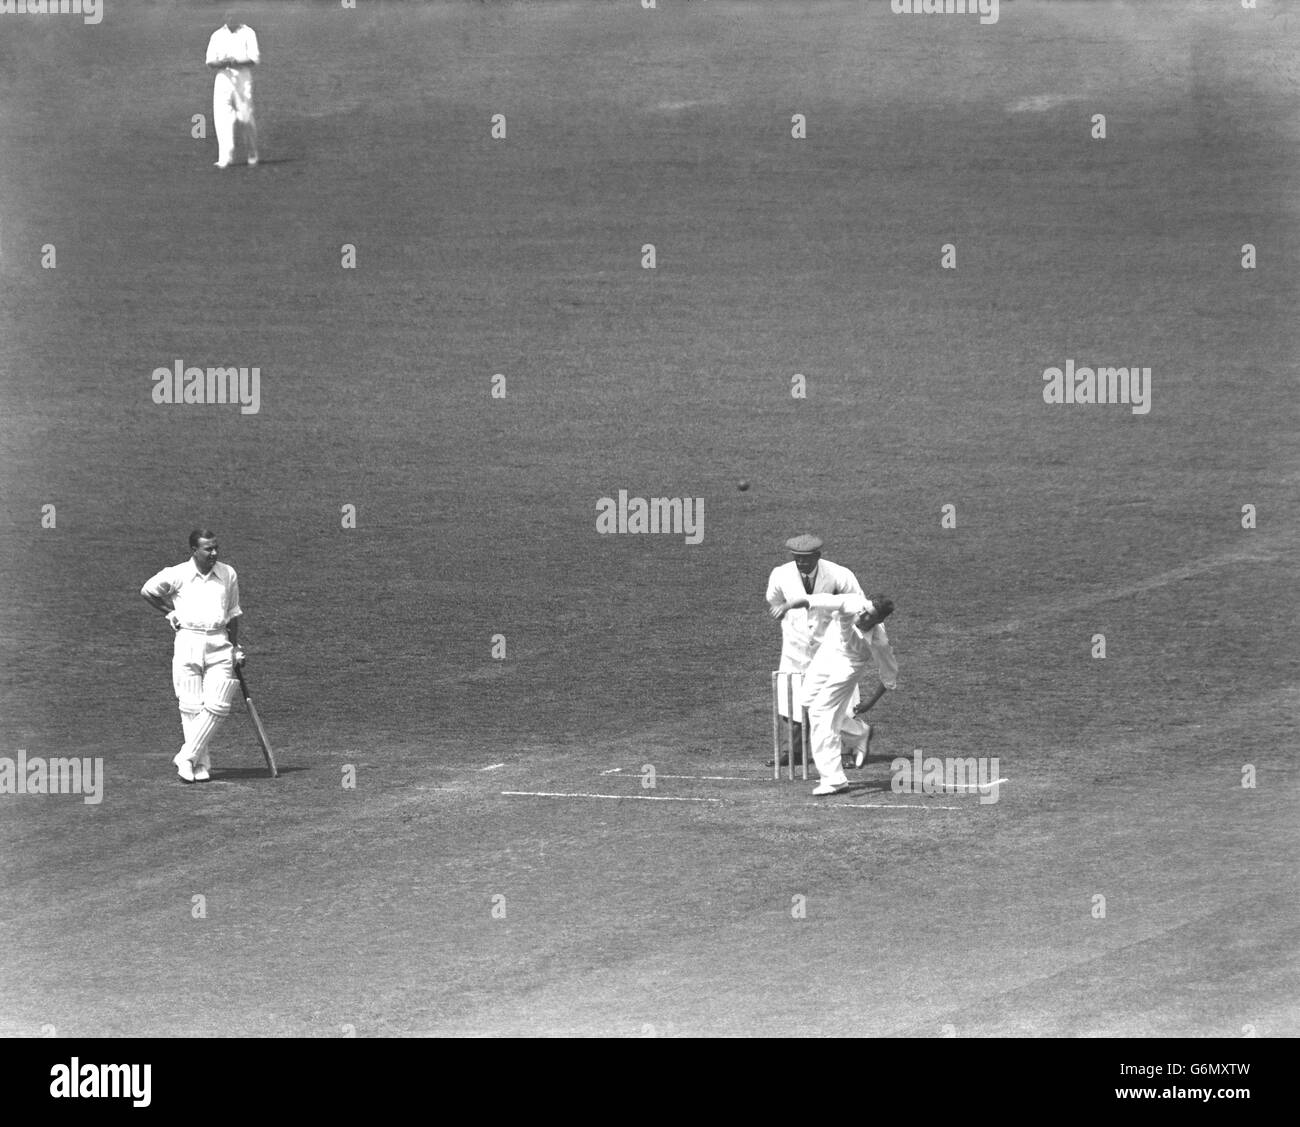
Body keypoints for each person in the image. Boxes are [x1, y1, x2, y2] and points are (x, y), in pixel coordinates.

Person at [769, 591, 899, 796]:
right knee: (807, 700)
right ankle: (859, 732)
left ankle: (834, 779)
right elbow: (812, 600)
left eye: (870, 616)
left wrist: (869, 703)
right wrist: (786, 606)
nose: (862, 616)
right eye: (864, 611)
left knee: (821, 714)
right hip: (829, 652)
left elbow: (889, 677)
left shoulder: (879, 641)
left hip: (849, 666)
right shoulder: (851, 602)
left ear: (879, 620)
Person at [141, 530, 245, 782]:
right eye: (208, 549)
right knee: (190, 706)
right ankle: (199, 764)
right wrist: (170, 612)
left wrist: (235, 647)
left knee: (219, 703)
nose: (214, 553)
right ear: (194, 550)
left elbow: (233, 613)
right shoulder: (177, 573)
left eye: (216, 548)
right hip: (188, 640)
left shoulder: (228, 573)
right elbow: (148, 591)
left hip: (219, 642)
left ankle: (186, 756)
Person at [764, 534, 871, 767]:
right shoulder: (780, 574)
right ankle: (792, 752)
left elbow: (858, 602)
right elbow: (773, 599)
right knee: (790, 701)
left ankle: (847, 748)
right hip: (796, 646)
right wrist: (783, 614)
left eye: (806, 559)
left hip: (831, 648)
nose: (801, 563)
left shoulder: (838, 574)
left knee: (835, 702)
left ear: (817, 556)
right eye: (797, 558)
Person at [205, 10, 260, 169]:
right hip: (223, 78)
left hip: (242, 79)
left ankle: (252, 153)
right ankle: (225, 157)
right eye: (227, 16)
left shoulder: (248, 33)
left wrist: (235, 62)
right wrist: (223, 63)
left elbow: (254, 59)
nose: (230, 19)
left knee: (245, 117)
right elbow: (210, 61)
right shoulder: (217, 35)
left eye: (233, 16)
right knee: (222, 118)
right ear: (224, 17)